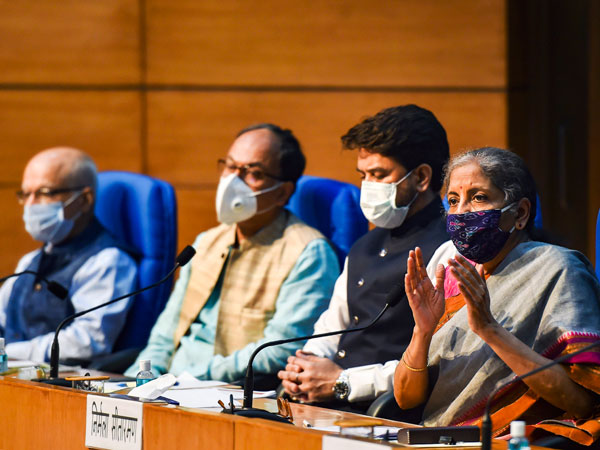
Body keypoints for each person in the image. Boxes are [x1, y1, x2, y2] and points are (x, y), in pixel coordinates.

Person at [395, 147, 600, 446]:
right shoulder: (455, 274)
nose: (461, 211)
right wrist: (422, 331)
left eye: (478, 197)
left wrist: (489, 329)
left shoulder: (559, 268)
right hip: (435, 436)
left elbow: (582, 402)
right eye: (453, 200)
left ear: (520, 213)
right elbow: (404, 398)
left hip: (507, 439)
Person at [126, 123, 339, 382]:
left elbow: (280, 350)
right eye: (230, 166)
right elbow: (164, 336)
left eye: (253, 173)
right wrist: (138, 379)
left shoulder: (308, 253)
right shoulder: (206, 242)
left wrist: (184, 380)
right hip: (165, 387)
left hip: (226, 391)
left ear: (283, 193)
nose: (233, 181)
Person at [278, 104, 450, 413]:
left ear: (422, 177)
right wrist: (304, 368)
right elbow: (331, 327)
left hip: (386, 414)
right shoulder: (363, 246)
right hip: (326, 406)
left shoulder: (449, 250)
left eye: (379, 174)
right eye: (364, 175)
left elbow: (439, 363)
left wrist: (344, 382)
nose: (368, 186)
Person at [0, 147, 138, 362]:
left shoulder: (108, 261)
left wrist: (9, 352)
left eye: (45, 193)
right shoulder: (29, 262)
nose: (30, 205)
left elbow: (88, 341)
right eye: (26, 194)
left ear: (84, 200)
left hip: (60, 378)